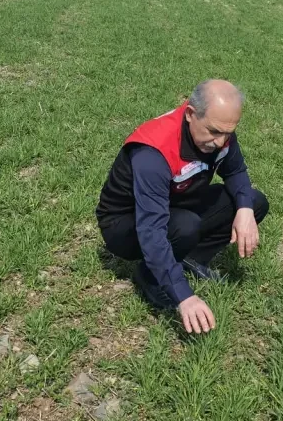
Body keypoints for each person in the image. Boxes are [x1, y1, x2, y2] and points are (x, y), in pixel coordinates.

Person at [96, 80, 270, 334]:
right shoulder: (153, 152)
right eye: (214, 132)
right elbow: (152, 230)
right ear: (190, 114)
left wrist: (244, 211)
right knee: (186, 226)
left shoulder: (218, 131)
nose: (221, 142)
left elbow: (236, 171)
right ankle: (149, 275)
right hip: (126, 223)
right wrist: (184, 297)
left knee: (253, 202)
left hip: (175, 202)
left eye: (228, 133)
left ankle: (189, 258)